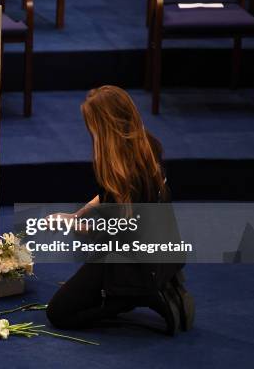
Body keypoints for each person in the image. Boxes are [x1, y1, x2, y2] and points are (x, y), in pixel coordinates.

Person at [45, 85, 195, 336]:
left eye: (93, 126)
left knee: (59, 314)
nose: (91, 132)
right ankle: (143, 286)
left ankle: (135, 297)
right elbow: (108, 200)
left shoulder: (120, 172)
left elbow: (114, 231)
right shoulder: (147, 146)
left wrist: (70, 225)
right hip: (157, 246)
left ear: (105, 126)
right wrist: (78, 213)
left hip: (132, 258)